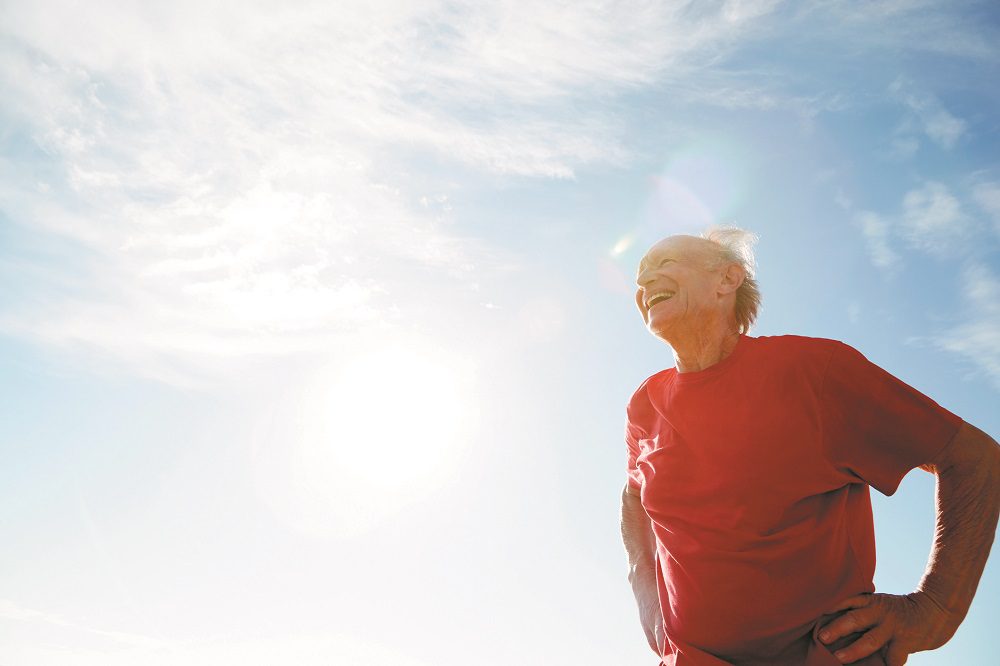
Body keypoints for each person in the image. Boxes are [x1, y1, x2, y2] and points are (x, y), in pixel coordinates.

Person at [620, 227, 1000, 666]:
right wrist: (643, 585)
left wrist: (937, 609)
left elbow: (973, 458)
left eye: (664, 264)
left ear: (728, 279)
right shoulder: (643, 405)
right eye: (641, 275)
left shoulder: (814, 371)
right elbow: (633, 495)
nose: (645, 281)